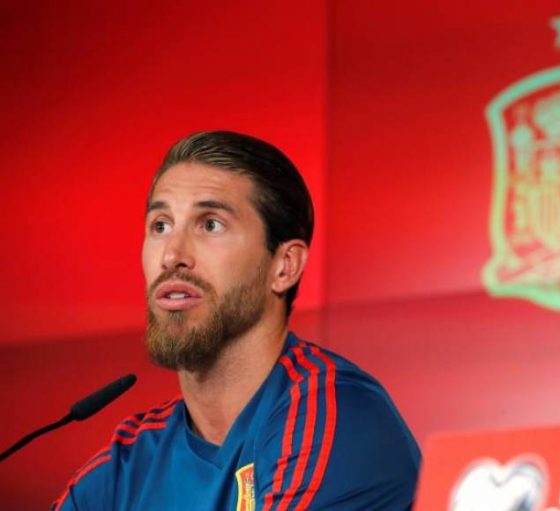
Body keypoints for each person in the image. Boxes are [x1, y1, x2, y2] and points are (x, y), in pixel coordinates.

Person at [52, 131, 421, 510]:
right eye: (160, 225)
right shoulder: (127, 465)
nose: (171, 255)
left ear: (284, 266)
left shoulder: (335, 417)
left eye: (210, 224)